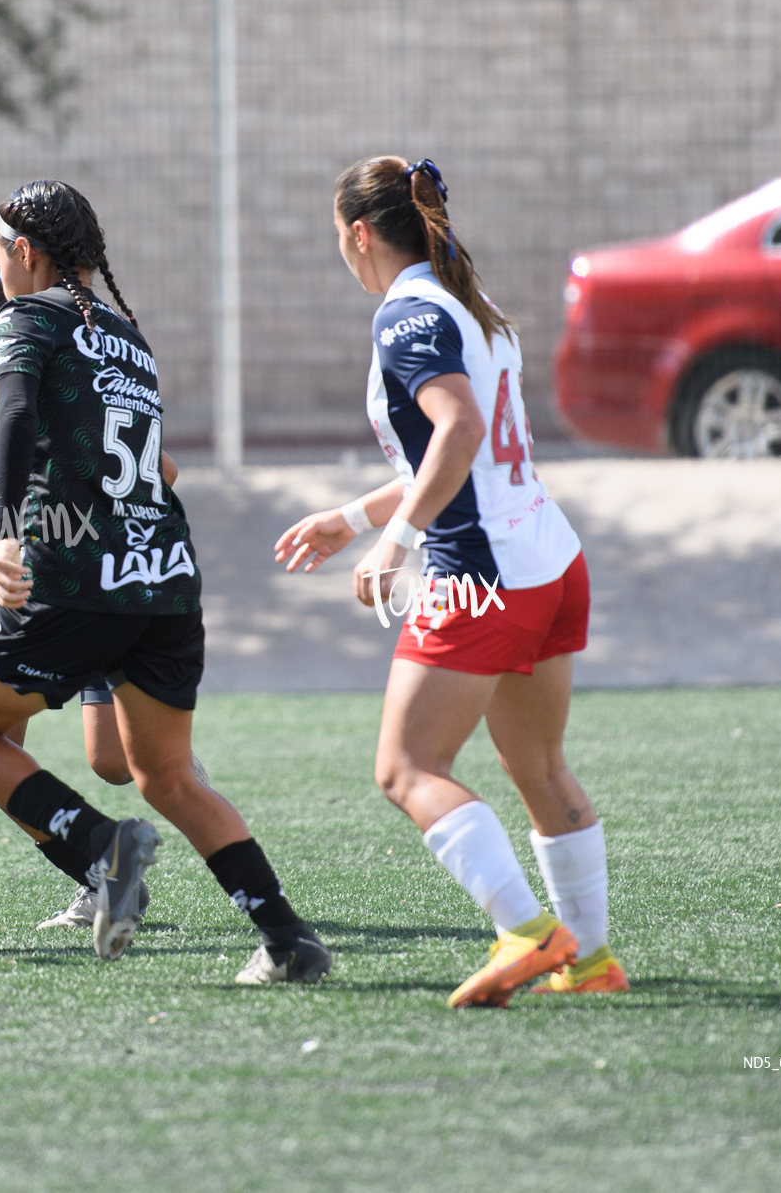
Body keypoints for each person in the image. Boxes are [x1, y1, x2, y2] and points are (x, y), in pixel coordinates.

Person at [0, 180, 329, 984]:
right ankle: (288, 938)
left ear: (23, 253)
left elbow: (18, 414)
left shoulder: (23, 317)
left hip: (76, 576)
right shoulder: (124, 336)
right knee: (166, 775)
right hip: (167, 579)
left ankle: (104, 848)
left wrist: (5, 529)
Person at [274, 155, 624, 1006]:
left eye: (339, 239)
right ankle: (591, 961)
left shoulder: (405, 317)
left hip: (483, 574)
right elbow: (454, 447)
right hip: (550, 559)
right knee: (537, 764)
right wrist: (352, 517)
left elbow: (459, 429)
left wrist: (394, 540)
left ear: (361, 234)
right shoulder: (474, 302)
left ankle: (528, 933)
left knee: (406, 767)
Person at [0, 270, 195, 931]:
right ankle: (100, 873)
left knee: (113, 760)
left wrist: (62, 516)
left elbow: (159, 473)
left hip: (91, 583)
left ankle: (171, 775)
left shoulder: (52, 389)